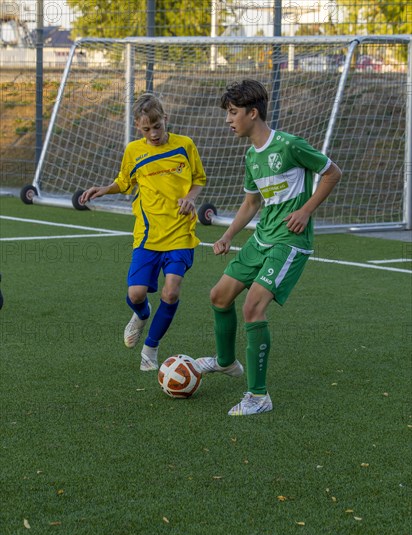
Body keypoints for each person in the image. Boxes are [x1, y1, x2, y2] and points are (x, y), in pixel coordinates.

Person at [196, 79, 342, 416]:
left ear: (253, 112)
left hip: (290, 242)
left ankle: (259, 396)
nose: (228, 120)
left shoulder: (291, 145)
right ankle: (226, 361)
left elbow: (332, 172)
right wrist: (229, 235)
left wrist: (306, 211)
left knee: (252, 308)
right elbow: (251, 204)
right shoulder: (251, 156)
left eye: (233, 113)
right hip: (261, 238)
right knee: (219, 296)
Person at [80, 93, 206, 371]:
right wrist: (103, 189)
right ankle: (141, 314)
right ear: (138, 127)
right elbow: (124, 182)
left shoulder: (185, 145)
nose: (153, 134)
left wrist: (192, 198)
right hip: (148, 236)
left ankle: (150, 348)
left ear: (165, 119)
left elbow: (198, 179)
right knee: (136, 294)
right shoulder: (134, 151)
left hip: (180, 233)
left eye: (157, 126)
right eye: (146, 129)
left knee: (171, 292)